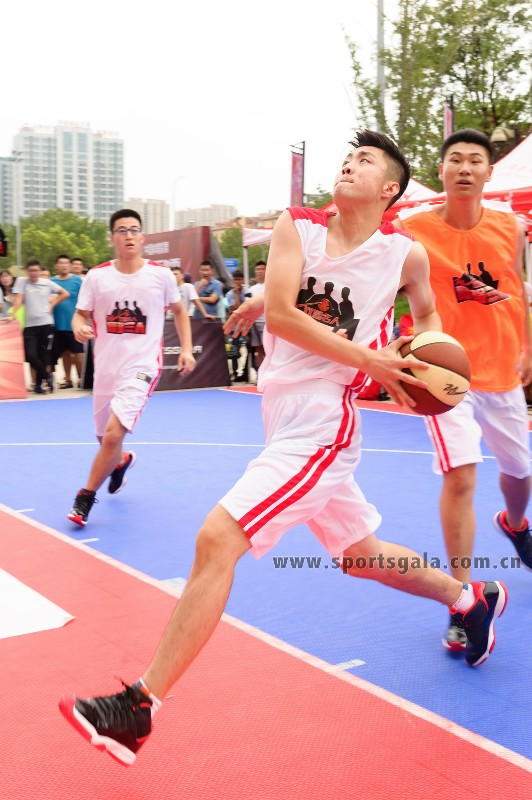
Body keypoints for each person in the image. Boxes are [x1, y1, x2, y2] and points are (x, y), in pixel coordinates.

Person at [59, 132, 507, 766]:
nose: (348, 165)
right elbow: (287, 313)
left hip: (324, 423)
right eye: (346, 158)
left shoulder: (404, 252)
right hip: (282, 412)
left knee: (218, 538)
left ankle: (140, 708)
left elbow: (429, 315)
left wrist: (422, 361)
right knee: (361, 555)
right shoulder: (299, 227)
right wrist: (367, 357)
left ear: (389, 189)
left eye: (365, 161)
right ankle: (469, 599)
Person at [393, 129, 531, 652]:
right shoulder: (412, 230)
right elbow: (366, 273)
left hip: (502, 371)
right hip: (446, 375)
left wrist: (527, 348)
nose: (466, 168)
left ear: (489, 172)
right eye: (456, 160)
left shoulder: (511, 227)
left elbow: (517, 290)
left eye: (476, 160)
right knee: (460, 477)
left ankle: (514, 524)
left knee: (520, 473)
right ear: (443, 170)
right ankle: (463, 598)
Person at [66, 209, 196, 527]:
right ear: (112, 238)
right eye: (122, 230)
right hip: (106, 369)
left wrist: (186, 350)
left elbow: (180, 311)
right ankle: (121, 461)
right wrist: (78, 326)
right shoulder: (97, 276)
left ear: (142, 237)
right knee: (106, 442)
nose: (128, 235)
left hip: (142, 366)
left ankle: (84, 498)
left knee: (113, 436)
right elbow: (80, 314)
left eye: (134, 230)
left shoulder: (160, 275)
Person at [12, 260, 70, 393]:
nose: (33, 273)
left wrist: (52, 304)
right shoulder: (22, 281)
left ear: (39, 271)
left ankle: (39, 385)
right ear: (27, 271)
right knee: (30, 355)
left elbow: (65, 293)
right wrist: (13, 315)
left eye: (36, 270)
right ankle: (47, 376)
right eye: (30, 271)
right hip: (30, 327)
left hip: (46, 325)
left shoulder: (47, 283)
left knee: (44, 356)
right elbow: (19, 299)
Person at [51, 255, 84, 388]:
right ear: (56, 266)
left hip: (75, 324)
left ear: (69, 266)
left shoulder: (77, 280)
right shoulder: (51, 281)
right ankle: (68, 379)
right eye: (61, 263)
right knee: (65, 352)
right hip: (58, 323)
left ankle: (82, 379)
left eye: (66, 263)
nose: (64, 265)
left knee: (78, 352)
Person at [224, 269, 248, 381]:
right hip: (235, 327)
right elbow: (236, 309)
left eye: (239, 279)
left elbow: (245, 308)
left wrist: (239, 294)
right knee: (234, 351)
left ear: (242, 280)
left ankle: (245, 373)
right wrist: (237, 294)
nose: (237, 282)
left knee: (249, 350)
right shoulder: (229, 294)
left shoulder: (247, 291)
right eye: (235, 280)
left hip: (247, 326)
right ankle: (234, 372)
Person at [247, 260, 267, 377]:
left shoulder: (271, 285)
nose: (260, 271)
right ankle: (260, 376)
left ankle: (268, 375)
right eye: (258, 269)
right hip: (254, 323)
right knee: (258, 351)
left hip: (267, 323)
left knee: (268, 350)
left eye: (262, 269)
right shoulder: (251, 289)